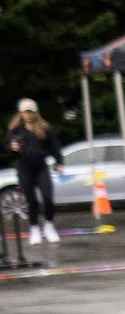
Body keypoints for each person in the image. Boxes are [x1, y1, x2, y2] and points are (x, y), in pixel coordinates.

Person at [11, 100, 63, 243]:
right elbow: (9, 149)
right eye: (25, 112)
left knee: (47, 197)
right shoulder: (16, 130)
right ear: (21, 113)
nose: (28, 115)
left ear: (35, 113)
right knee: (31, 200)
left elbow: (54, 145)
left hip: (41, 167)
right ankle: (34, 228)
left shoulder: (44, 128)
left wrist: (59, 162)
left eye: (31, 112)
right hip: (24, 169)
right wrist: (12, 148)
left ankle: (49, 225)